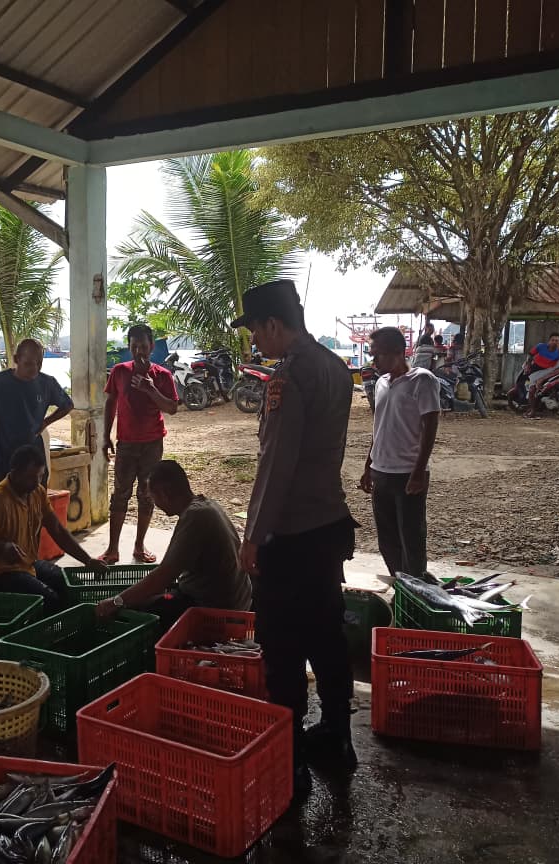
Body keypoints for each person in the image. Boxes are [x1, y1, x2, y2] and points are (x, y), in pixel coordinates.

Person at [232, 279, 360, 791]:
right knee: (327, 634)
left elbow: (276, 465)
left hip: (290, 536)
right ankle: (338, 736)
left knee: (282, 645)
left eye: (255, 330)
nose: (254, 341)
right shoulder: (335, 367)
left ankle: (289, 763)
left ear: (273, 324)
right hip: (329, 525)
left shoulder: (287, 377)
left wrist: (252, 536)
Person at [94, 460, 252, 628]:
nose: (155, 504)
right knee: (146, 597)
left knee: (133, 613)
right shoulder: (206, 506)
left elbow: (163, 576)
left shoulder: (195, 517)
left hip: (215, 610)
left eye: (153, 497)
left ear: (164, 494)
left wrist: (117, 601)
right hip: (233, 601)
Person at [0, 445, 107, 611]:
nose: (36, 482)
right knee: (50, 600)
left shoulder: (38, 492)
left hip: (27, 565)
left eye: (40, 476)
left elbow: (57, 529)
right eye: (31, 477)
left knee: (71, 585)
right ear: (15, 472)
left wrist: (87, 560)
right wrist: (1, 547)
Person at [359, 326, 441, 581]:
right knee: (387, 538)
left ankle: (416, 585)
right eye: (372, 355)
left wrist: (419, 471)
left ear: (397, 351)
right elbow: (380, 426)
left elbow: (430, 427)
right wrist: (368, 465)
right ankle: (400, 582)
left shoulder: (422, 380)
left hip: (407, 472)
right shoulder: (381, 383)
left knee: (411, 537)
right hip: (381, 470)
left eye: (378, 354)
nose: (374, 361)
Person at [99, 324, 178, 564]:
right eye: (134, 347)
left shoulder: (162, 376)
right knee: (120, 495)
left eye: (143, 346)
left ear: (152, 346)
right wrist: (105, 435)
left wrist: (149, 388)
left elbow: (171, 408)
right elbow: (111, 403)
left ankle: (139, 546)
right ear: (129, 347)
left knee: (147, 495)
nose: (139, 352)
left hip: (152, 444)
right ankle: (112, 549)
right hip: (126, 444)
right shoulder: (119, 372)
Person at [0, 339, 73, 486]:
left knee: (35, 498)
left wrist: (46, 422)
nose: (34, 368)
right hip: (4, 456)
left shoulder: (47, 383)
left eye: (39, 363)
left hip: (34, 459)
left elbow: (67, 405)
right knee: (2, 498)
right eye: (28, 364)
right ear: (16, 359)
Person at [525, 332, 559, 418]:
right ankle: (532, 410)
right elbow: (530, 354)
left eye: (557, 341)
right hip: (536, 370)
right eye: (552, 340)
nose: (554, 342)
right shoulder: (541, 346)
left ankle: (542, 381)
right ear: (549, 341)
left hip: (549, 370)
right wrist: (528, 365)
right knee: (532, 389)